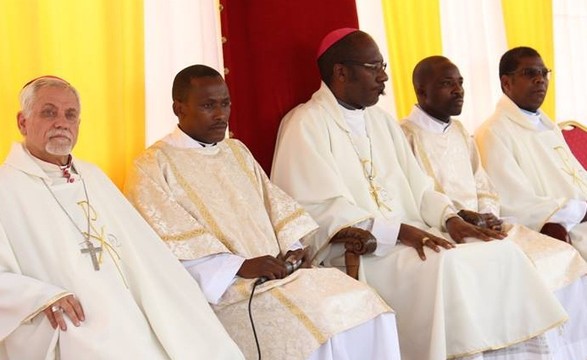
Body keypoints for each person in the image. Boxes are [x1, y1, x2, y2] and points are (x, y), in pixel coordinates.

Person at [271, 28, 568, 360]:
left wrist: (450, 219)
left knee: (503, 252)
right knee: (449, 265)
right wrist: (398, 231)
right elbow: (317, 208)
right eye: (374, 67)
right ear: (341, 72)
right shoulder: (305, 124)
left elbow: (420, 186)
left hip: (416, 234)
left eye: (383, 66)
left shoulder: (381, 122)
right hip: (368, 249)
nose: (384, 77)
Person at [123, 64, 400, 360]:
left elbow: (275, 208)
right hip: (229, 292)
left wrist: (294, 249)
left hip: (280, 273)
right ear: (179, 108)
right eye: (208, 106)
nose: (221, 115)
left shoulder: (236, 151)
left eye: (225, 103)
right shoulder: (152, 167)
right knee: (321, 319)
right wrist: (240, 267)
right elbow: (166, 250)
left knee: (366, 302)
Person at [0, 76, 244, 359]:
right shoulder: (5, 187)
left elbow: (145, 253)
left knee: (192, 335)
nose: (61, 122)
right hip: (73, 319)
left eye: (70, 115)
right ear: (22, 122)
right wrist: (40, 296)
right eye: (48, 112)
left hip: (130, 307)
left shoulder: (92, 176)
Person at [402, 55, 587, 359]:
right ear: (422, 92)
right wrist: (456, 216)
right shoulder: (406, 134)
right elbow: (416, 193)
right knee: (510, 262)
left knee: (561, 256)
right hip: (443, 227)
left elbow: (482, 182)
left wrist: (488, 213)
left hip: (486, 224)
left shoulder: (461, 132)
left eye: (461, 83)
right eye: (448, 84)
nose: (459, 90)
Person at [475, 46, 587, 261]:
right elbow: (517, 203)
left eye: (544, 73)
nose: (540, 79)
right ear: (506, 83)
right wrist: (580, 210)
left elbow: (576, 176)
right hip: (566, 227)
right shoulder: (493, 132)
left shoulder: (548, 126)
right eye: (530, 73)